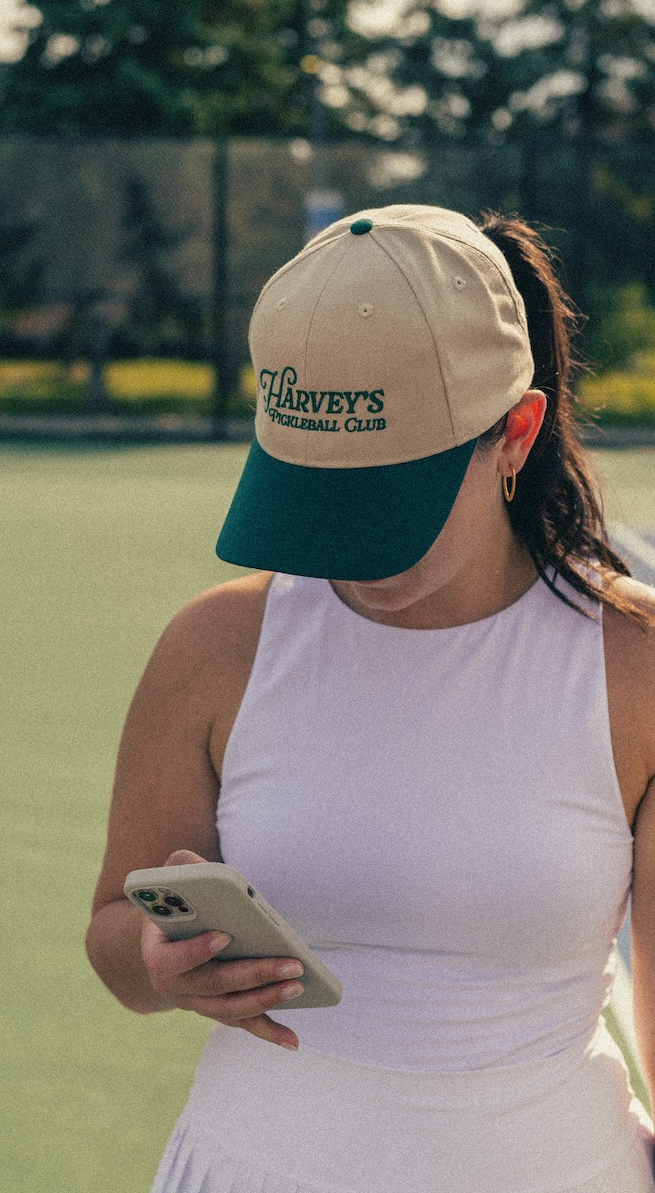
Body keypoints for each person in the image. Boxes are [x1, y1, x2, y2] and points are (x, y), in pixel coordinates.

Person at [86, 204, 655, 1193]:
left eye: (384, 497)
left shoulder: (633, 662)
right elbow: (111, 934)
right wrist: (153, 958)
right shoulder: (213, 647)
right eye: (313, 490)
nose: (341, 545)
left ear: (512, 431)